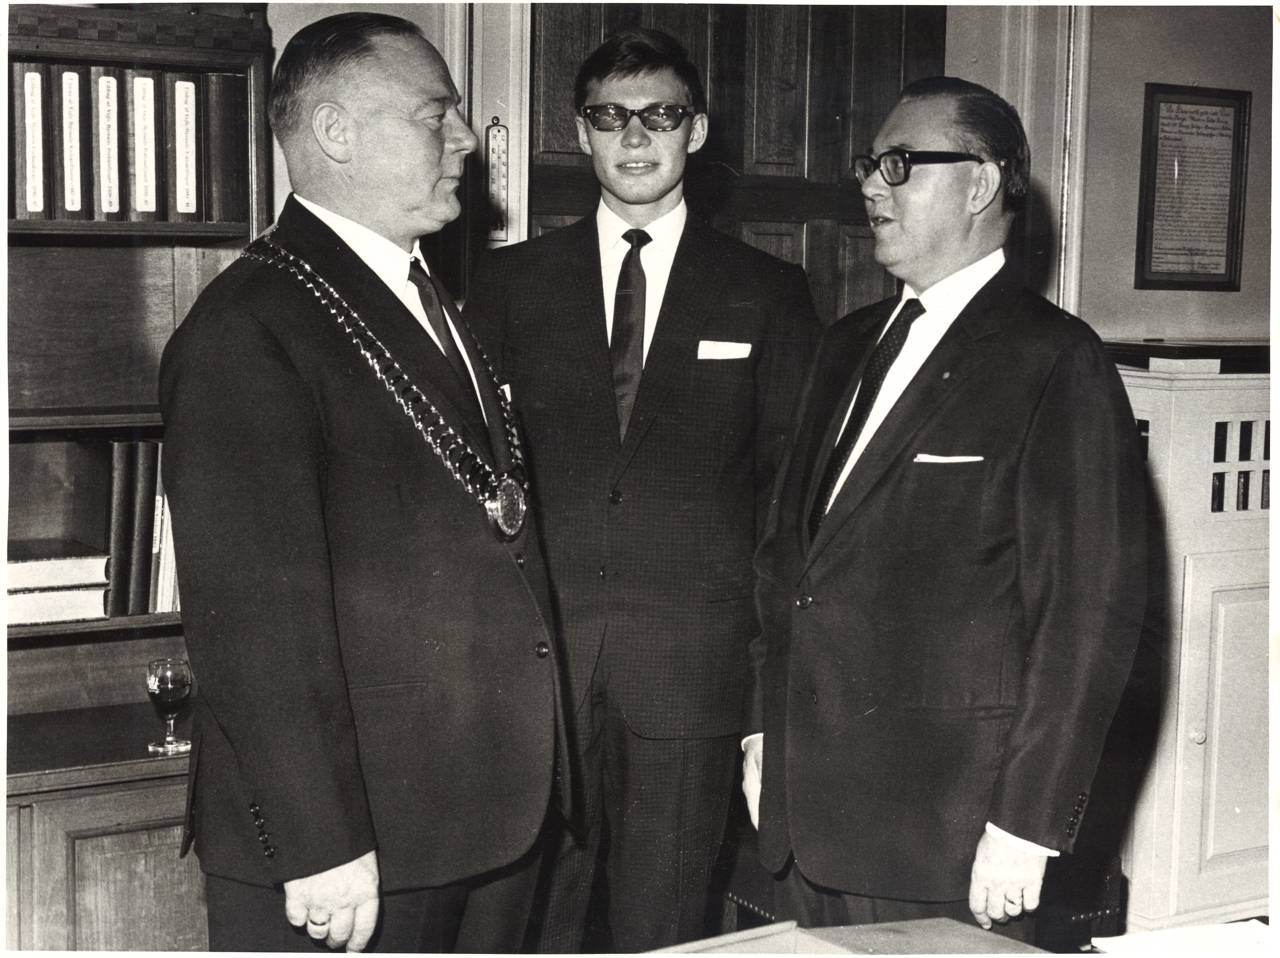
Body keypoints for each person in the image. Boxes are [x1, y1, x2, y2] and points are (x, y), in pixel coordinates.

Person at [160, 13, 570, 952]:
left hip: (483, 821)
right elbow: (251, 621)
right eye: (436, 114)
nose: (465, 139)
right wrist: (322, 844)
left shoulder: (419, 291)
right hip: (357, 853)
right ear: (337, 132)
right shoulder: (247, 329)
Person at [743, 76, 1146, 936]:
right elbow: (785, 560)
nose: (870, 185)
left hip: (946, 835)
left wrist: (1027, 826)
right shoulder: (845, 345)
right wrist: (760, 734)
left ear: (980, 184)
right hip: (804, 816)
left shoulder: (1055, 361)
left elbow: (1086, 619)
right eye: (868, 165)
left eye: (899, 164)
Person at [465, 27, 820, 952]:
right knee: (529, 933)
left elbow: (789, 506)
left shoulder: (767, 292)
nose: (634, 137)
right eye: (610, 116)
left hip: (690, 682)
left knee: (664, 932)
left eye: (660, 116)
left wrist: (763, 705)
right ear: (579, 132)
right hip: (539, 680)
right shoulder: (506, 285)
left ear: (696, 131)